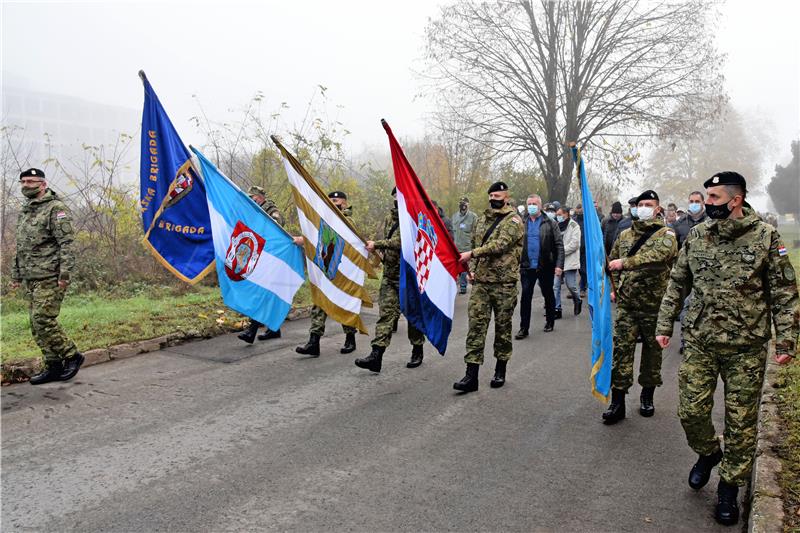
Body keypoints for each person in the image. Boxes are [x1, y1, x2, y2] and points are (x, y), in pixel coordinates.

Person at [655, 171, 799, 526]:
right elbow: (678, 282)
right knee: (689, 411)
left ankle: (729, 488)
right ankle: (708, 452)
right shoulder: (699, 234)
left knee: (741, 423)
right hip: (701, 342)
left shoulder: (766, 237)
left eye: (715, 198)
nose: (706, 204)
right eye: (706, 198)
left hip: (746, 347)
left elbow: (783, 293)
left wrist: (786, 340)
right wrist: (664, 324)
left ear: (736, 200)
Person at [603, 189, 677, 424]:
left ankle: (647, 394)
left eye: (648, 204)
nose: (642, 208)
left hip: (654, 306)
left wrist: (624, 263)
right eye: (640, 204)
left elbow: (657, 258)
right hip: (627, 305)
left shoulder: (667, 235)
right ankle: (618, 401)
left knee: (652, 353)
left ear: (657, 209)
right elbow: (610, 261)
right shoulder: (625, 235)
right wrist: (614, 287)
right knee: (621, 352)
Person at [10, 168, 84, 384]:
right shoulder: (27, 210)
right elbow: (21, 246)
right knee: (35, 324)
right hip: (31, 277)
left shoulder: (56, 208)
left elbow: (67, 245)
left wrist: (65, 274)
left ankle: (72, 355)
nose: (25, 185)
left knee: (43, 319)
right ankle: (53, 365)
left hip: (51, 275)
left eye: (31, 181)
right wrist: (16, 275)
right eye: (23, 181)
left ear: (43, 184)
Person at [452, 181, 523, 392]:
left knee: (502, 328)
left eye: (498, 196)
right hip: (482, 283)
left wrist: (472, 255)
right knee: (476, 328)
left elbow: (500, 245)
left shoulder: (514, 221)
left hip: (504, 285)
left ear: (506, 197)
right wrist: (472, 269)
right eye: (491, 196)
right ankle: (470, 376)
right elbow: (476, 243)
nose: (494, 199)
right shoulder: (482, 219)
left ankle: (500, 370)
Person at [355, 187, 425, 372]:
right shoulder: (389, 218)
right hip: (390, 275)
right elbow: (387, 239)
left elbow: (403, 242)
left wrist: (377, 244)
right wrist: (378, 249)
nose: (397, 200)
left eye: (400, 196)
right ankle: (376, 355)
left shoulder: (414, 217)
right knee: (385, 315)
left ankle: (417, 349)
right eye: (395, 196)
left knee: (413, 317)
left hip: (409, 277)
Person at [296, 191, 359, 356]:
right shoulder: (323, 220)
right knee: (320, 304)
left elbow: (339, 238)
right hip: (325, 267)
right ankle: (313, 342)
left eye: (336, 200)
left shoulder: (347, 220)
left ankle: (350, 338)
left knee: (344, 304)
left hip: (342, 271)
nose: (332, 203)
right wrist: (305, 239)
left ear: (344, 203)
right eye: (330, 200)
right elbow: (317, 235)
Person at [238, 185, 287, 343]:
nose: (250, 200)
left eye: (252, 198)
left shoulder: (272, 211)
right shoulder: (254, 211)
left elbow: (276, 226)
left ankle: (251, 331)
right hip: (259, 257)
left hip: (271, 258)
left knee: (260, 293)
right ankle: (274, 329)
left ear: (259, 198)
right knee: (265, 293)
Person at [515, 196, 564, 337]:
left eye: (534, 204)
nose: (531, 206)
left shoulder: (550, 223)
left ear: (540, 206)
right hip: (526, 266)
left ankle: (550, 320)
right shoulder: (521, 222)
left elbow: (559, 245)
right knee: (525, 296)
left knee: (548, 293)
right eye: (529, 204)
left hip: (545, 265)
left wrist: (559, 265)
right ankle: (524, 328)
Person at [553, 206, 582, 318]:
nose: (558, 216)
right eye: (557, 215)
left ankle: (577, 299)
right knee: (555, 285)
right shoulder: (555, 225)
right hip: (557, 261)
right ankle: (557, 309)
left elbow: (575, 244)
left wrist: (560, 251)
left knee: (571, 285)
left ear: (567, 214)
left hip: (569, 260)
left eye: (560, 214)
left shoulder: (574, 226)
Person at [452, 197, 478, 295]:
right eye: (461, 203)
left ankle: (463, 286)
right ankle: (454, 286)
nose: (462, 205)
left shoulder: (473, 217)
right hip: (455, 246)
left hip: (467, 247)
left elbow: (476, 232)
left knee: (464, 269)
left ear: (468, 205)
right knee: (455, 268)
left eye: (465, 203)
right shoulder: (454, 216)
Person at [574, 203, 587, 296]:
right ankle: (574, 289)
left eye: (581, 210)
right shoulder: (573, 221)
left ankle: (582, 288)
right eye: (578, 210)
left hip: (585, 249)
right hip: (575, 249)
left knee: (583, 270)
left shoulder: (588, 221)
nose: (580, 212)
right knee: (574, 270)